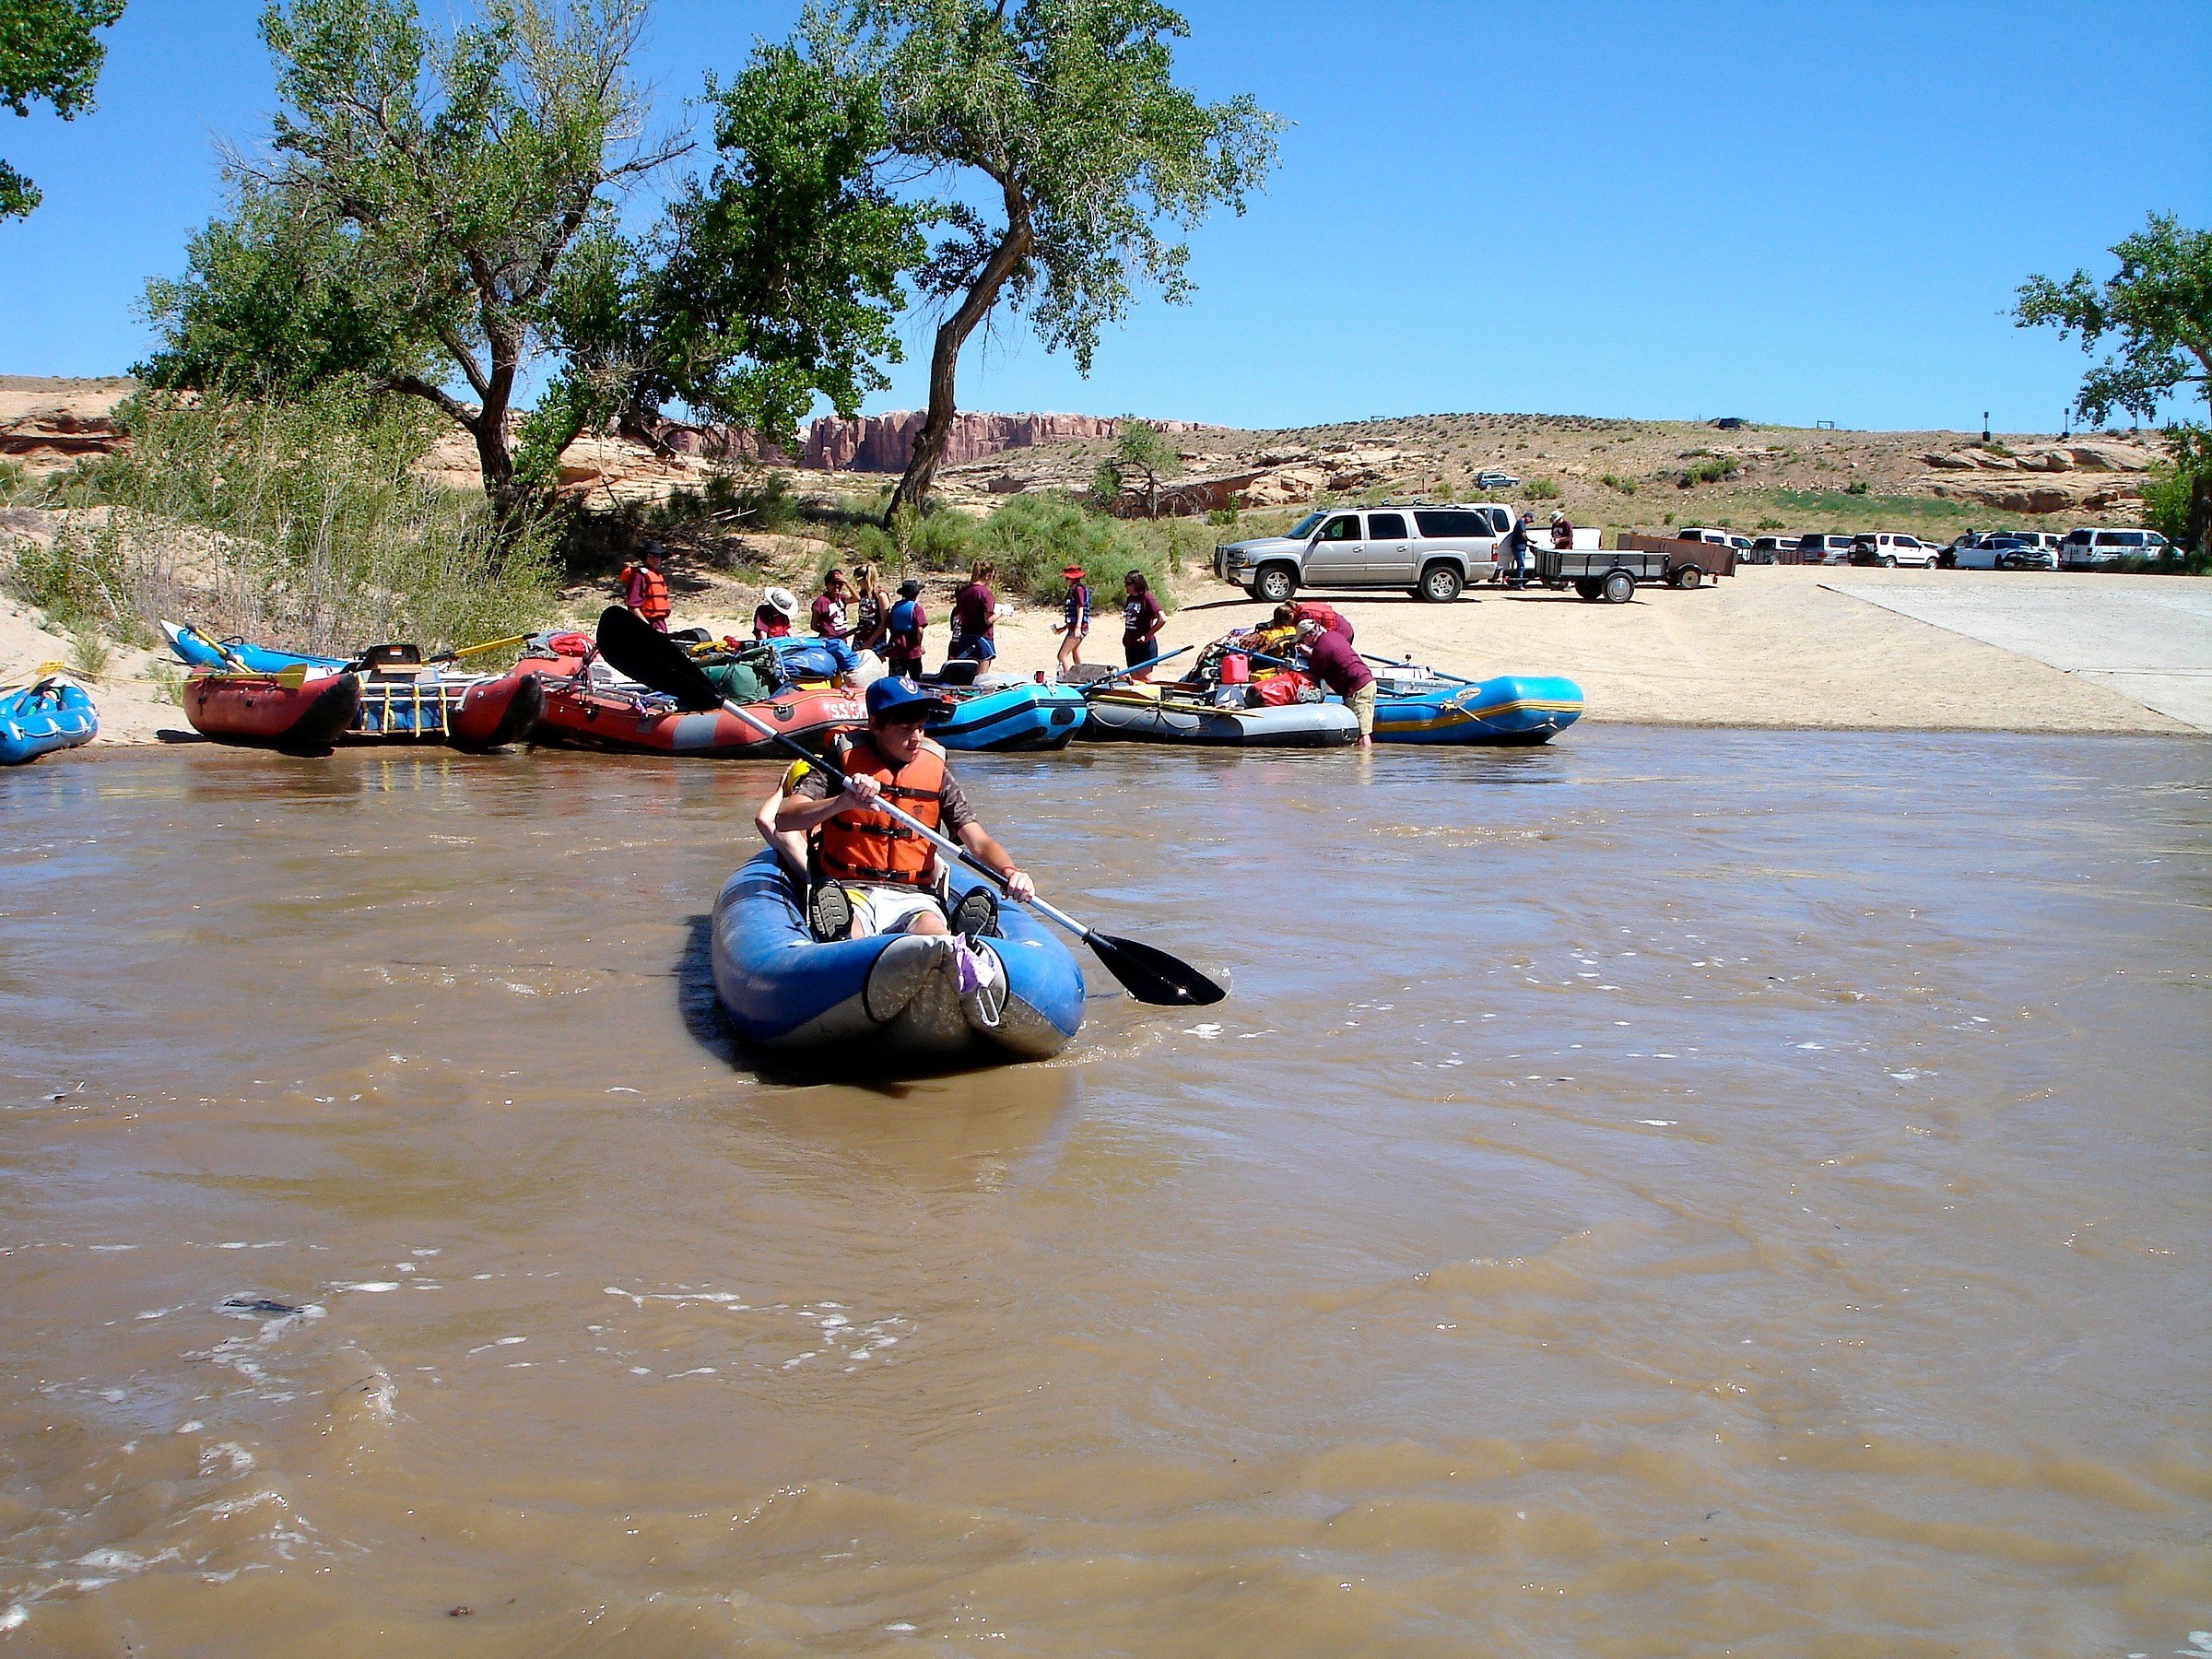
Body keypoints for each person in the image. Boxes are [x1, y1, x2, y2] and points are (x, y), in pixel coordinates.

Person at [774, 675, 1037, 942]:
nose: (916, 738)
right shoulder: (841, 762)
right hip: (851, 890)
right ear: (875, 725)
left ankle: (959, 942)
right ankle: (841, 944)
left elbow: (978, 840)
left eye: (921, 728)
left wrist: (1010, 872)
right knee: (851, 935)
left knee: (935, 937)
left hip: (914, 896)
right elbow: (784, 819)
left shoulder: (936, 772)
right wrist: (844, 801)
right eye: (905, 729)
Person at [1297, 615, 1375, 749]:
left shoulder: (1321, 649)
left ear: (1309, 635)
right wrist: (1311, 654)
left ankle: (1365, 765)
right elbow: (1334, 654)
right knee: (1361, 729)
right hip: (1366, 680)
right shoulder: (1334, 636)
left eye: (1302, 639)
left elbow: (1313, 674)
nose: (1303, 642)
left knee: (1362, 733)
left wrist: (1288, 671)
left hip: (1357, 688)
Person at [948, 560, 997, 664]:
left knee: (967, 673)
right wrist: (999, 614)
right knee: (981, 675)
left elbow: (960, 615)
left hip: (966, 637)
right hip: (982, 637)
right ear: (988, 576)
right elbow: (988, 620)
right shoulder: (985, 594)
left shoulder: (964, 591)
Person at [618, 542, 671, 631]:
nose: (656, 559)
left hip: (659, 624)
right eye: (652, 555)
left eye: (658, 556)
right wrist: (648, 628)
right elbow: (633, 608)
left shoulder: (656, 575)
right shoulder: (639, 576)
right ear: (645, 557)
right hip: (645, 625)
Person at [1121, 569, 1165, 674]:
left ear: (1136, 584)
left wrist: (1147, 635)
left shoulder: (1147, 597)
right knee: (1134, 679)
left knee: (1145, 680)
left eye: (1128, 584)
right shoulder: (1130, 599)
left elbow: (1162, 618)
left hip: (1144, 646)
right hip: (1131, 644)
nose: (1126, 587)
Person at [884, 579, 927, 678]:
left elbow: (888, 624)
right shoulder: (916, 608)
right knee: (916, 679)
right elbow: (920, 630)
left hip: (896, 649)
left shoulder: (896, 606)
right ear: (916, 594)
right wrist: (919, 645)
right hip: (912, 650)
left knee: (895, 679)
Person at [1053, 563, 1089, 675]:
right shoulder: (1073, 590)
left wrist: (1078, 627)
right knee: (1075, 652)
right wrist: (1063, 628)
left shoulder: (1078, 590)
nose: (1066, 580)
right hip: (1074, 627)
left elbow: (1080, 607)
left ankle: (1068, 677)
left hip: (1079, 628)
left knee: (1062, 655)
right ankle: (1081, 676)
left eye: (1068, 578)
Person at [849, 564, 888, 655]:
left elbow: (885, 622)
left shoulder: (880, 595)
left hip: (876, 639)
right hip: (860, 637)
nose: (857, 584)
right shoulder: (862, 594)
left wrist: (870, 641)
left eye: (858, 581)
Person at [811, 569, 853, 641]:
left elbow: (857, 598)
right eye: (833, 583)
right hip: (828, 640)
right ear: (827, 584)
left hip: (842, 640)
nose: (837, 586)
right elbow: (814, 626)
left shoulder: (841, 598)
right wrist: (828, 632)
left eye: (840, 583)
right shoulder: (821, 602)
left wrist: (846, 582)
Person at [1500, 511, 1535, 588]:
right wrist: (1530, 541)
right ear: (1527, 517)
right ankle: (1519, 584)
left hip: (1520, 546)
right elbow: (1523, 535)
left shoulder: (1520, 523)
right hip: (1519, 547)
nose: (1529, 523)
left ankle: (1515, 581)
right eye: (1530, 520)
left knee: (1520, 566)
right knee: (1521, 566)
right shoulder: (1521, 523)